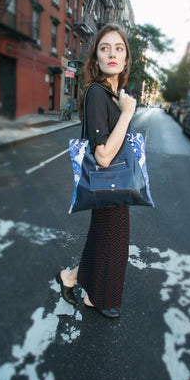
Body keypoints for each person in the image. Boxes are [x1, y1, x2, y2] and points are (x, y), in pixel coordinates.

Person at [56, 22, 136, 319]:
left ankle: (70, 277)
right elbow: (102, 154)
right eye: (105, 48)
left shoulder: (115, 95)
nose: (112, 53)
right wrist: (127, 115)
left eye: (119, 48)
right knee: (112, 241)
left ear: (126, 58)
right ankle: (97, 297)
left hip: (116, 183)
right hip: (108, 180)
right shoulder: (96, 93)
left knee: (103, 238)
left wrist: (123, 108)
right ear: (96, 58)